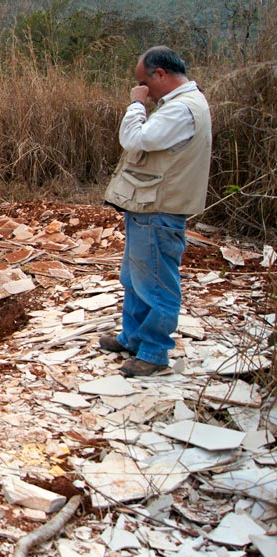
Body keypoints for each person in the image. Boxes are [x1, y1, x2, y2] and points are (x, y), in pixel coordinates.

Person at [101, 46, 212, 377]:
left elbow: (135, 139)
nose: (142, 88)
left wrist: (136, 104)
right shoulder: (181, 105)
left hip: (160, 207)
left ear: (160, 74)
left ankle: (153, 351)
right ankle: (133, 337)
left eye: (143, 82)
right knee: (135, 278)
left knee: (155, 283)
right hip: (148, 204)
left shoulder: (182, 110)